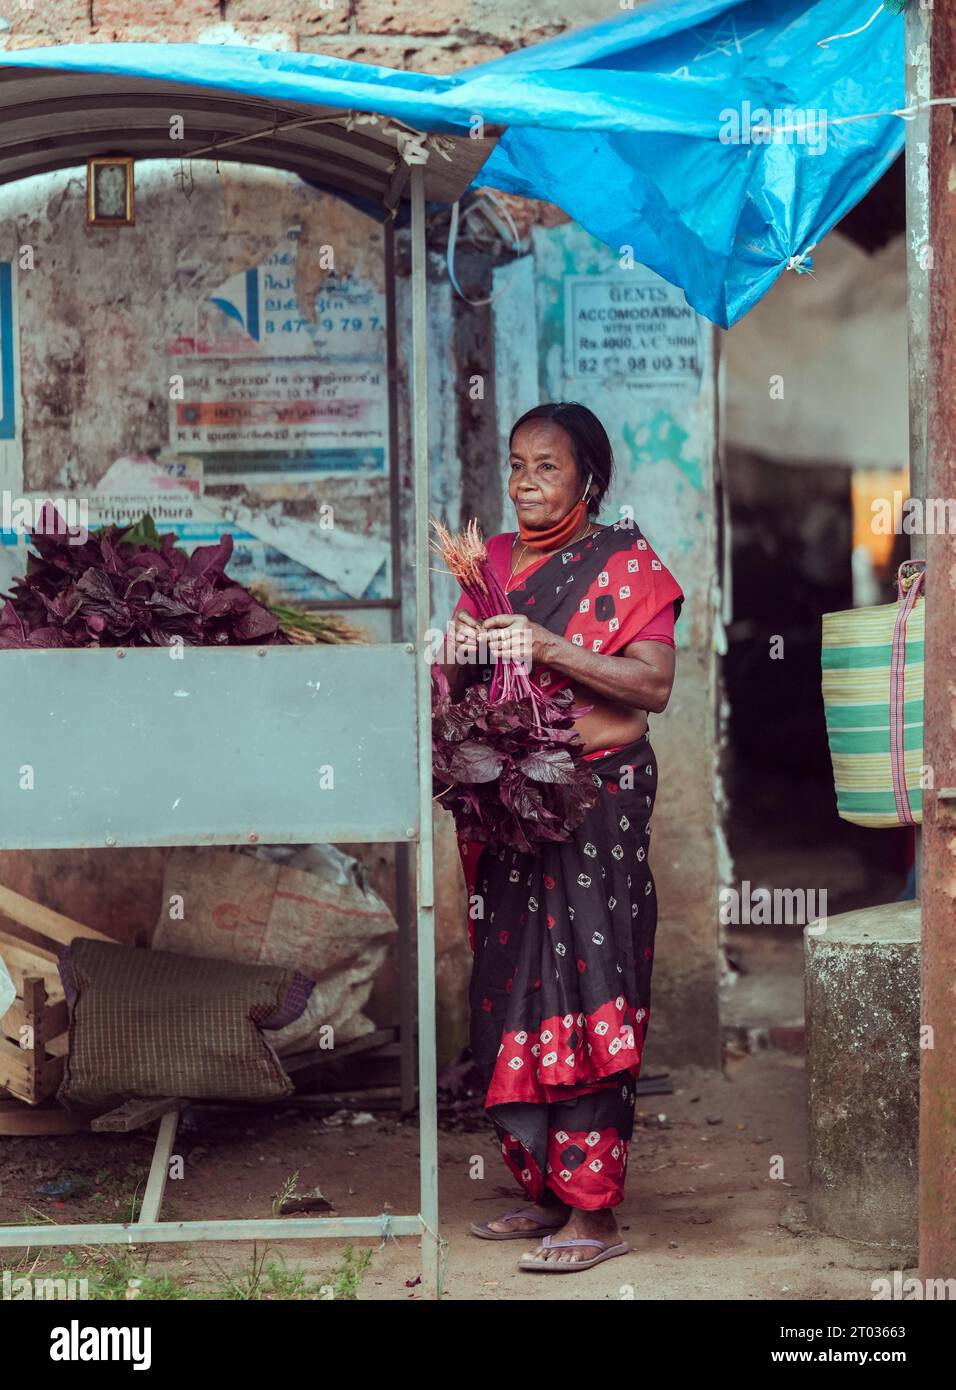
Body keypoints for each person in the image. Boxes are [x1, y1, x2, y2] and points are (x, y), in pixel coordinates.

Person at [441, 401, 684, 1273]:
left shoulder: (628, 562)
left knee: (590, 982)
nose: (526, 482)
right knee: (512, 988)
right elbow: (467, 684)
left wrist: (544, 643)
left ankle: (596, 1215)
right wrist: (463, 646)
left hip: (594, 804)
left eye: (547, 466)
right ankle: (545, 1191)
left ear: (590, 478)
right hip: (510, 806)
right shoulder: (493, 563)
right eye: (516, 465)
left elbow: (651, 686)